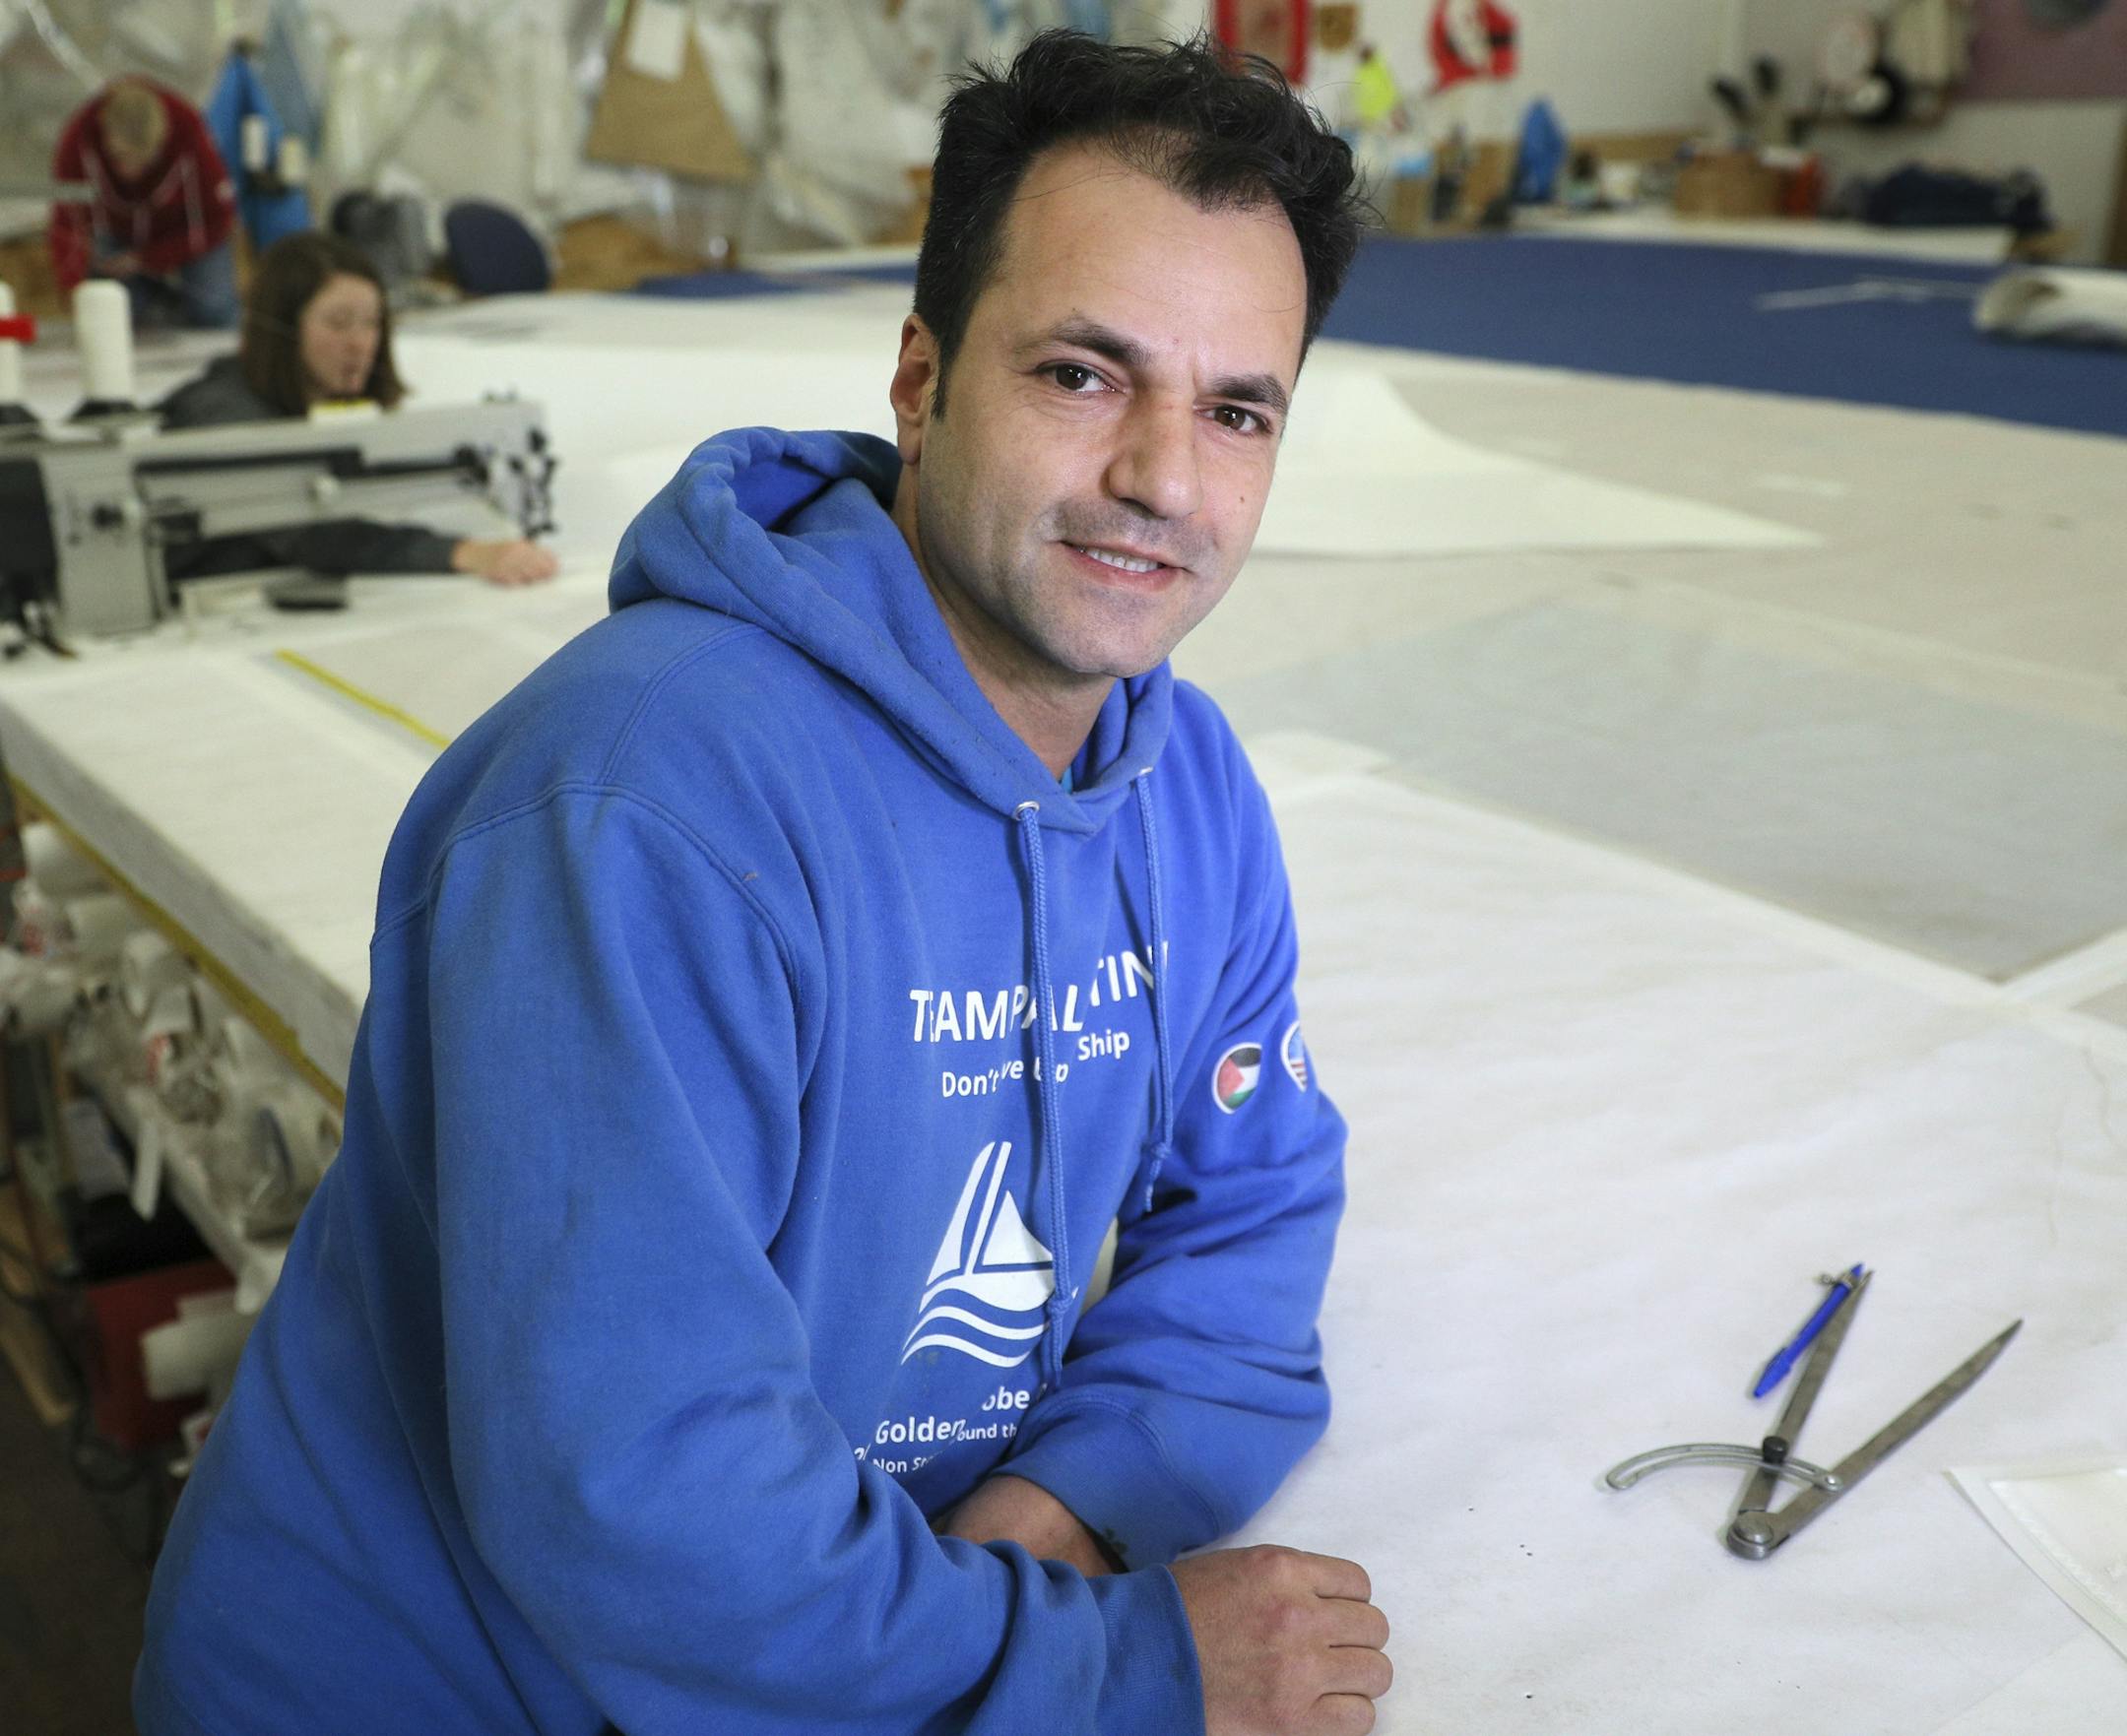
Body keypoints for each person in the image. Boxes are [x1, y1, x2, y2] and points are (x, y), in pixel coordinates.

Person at [137, 32, 1384, 1735]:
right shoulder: (647, 806)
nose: (1166, 477)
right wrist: (1115, 1667)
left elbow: (1251, 1215)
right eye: (1085, 374)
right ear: (922, 375)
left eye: (1236, 408)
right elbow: (639, 1513)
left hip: (849, 1638)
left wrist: (1061, 1514)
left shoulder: (1190, 791)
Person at [158, 231, 558, 588]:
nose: (360, 343)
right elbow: (308, 534)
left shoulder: (304, 404)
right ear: (281, 328)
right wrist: (468, 553)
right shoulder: (222, 417)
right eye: (338, 323)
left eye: (371, 323)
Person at [48, 78, 240, 331]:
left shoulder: (188, 130)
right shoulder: (79, 140)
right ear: (106, 139)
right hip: (119, 236)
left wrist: (147, 259)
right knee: (116, 314)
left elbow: (219, 219)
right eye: (121, 158)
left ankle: (170, 303)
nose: (132, 172)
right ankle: (157, 302)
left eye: (145, 161)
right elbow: (66, 222)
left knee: (213, 311)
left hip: (183, 232)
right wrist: (73, 286)